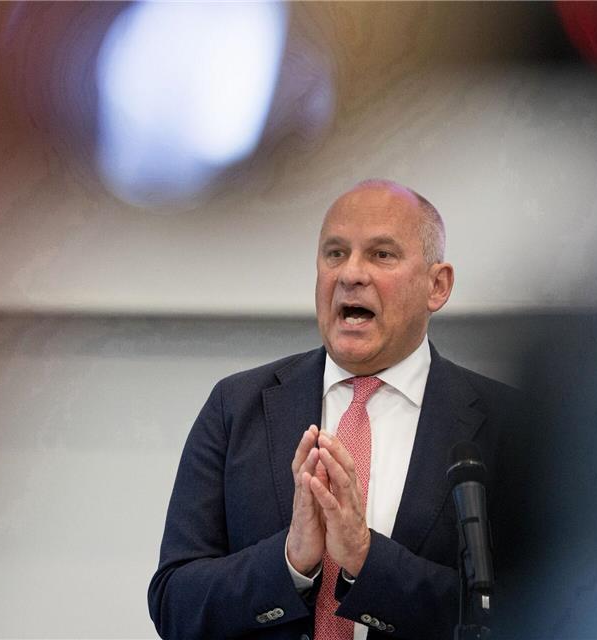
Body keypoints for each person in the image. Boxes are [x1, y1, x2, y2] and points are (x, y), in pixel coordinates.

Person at [149, 179, 519, 639]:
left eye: (382, 254)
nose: (350, 274)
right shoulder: (236, 406)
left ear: (437, 285)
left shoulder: (510, 426)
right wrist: (289, 562)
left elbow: (537, 615)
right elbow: (174, 603)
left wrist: (367, 561)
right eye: (335, 254)